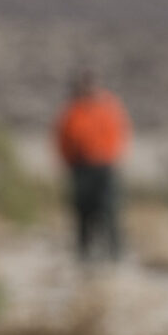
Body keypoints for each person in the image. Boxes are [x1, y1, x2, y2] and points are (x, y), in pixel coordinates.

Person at [53, 70, 131, 262]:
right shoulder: (72, 111)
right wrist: (70, 162)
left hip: (104, 167)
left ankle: (115, 255)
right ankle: (84, 255)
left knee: (109, 210)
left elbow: (121, 135)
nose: (87, 89)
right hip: (80, 168)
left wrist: (111, 158)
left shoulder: (109, 108)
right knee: (83, 213)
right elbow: (62, 139)